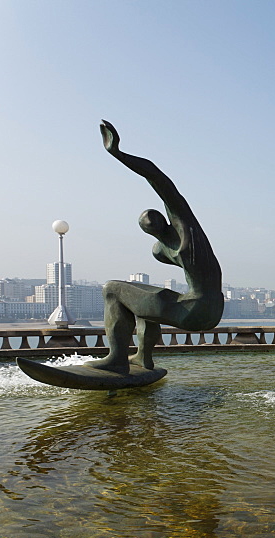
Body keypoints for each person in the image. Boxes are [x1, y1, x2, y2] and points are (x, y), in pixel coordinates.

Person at [86, 120, 223, 374]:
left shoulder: (187, 234)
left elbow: (158, 177)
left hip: (196, 307)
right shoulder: (170, 246)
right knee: (140, 304)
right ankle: (142, 358)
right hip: (209, 307)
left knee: (111, 290)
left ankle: (117, 358)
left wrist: (118, 154)